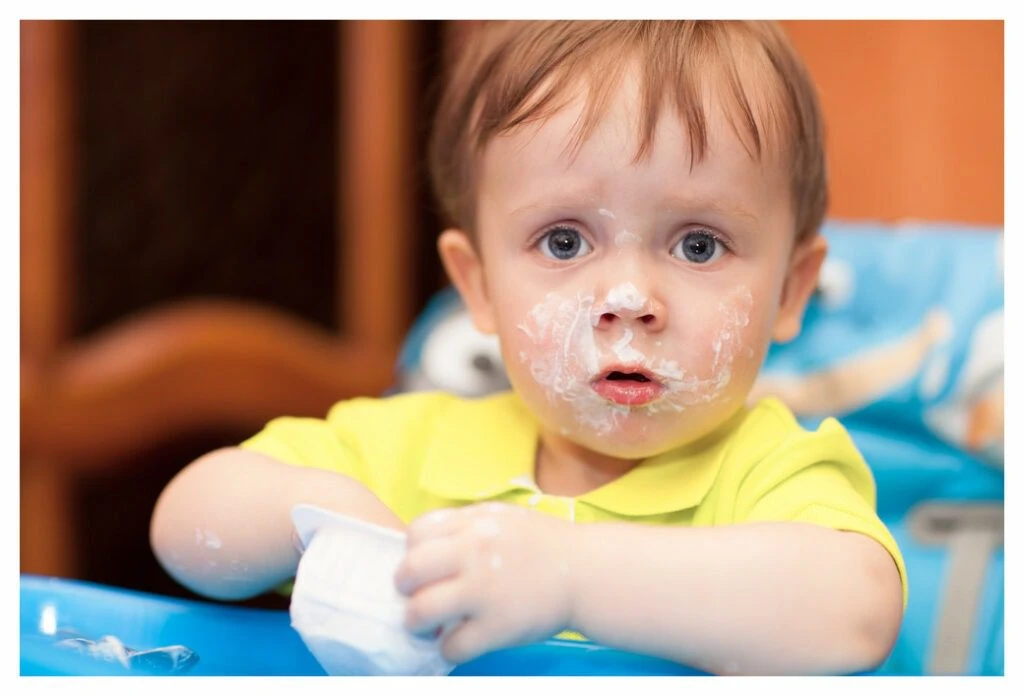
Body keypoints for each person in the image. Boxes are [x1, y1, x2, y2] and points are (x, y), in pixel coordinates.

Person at [150, 20, 906, 676]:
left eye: (700, 245)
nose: (629, 299)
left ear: (790, 292)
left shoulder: (770, 476)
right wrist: (314, 516)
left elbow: (855, 612)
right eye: (565, 239)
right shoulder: (410, 446)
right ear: (476, 285)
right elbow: (186, 528)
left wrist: (570, 581)